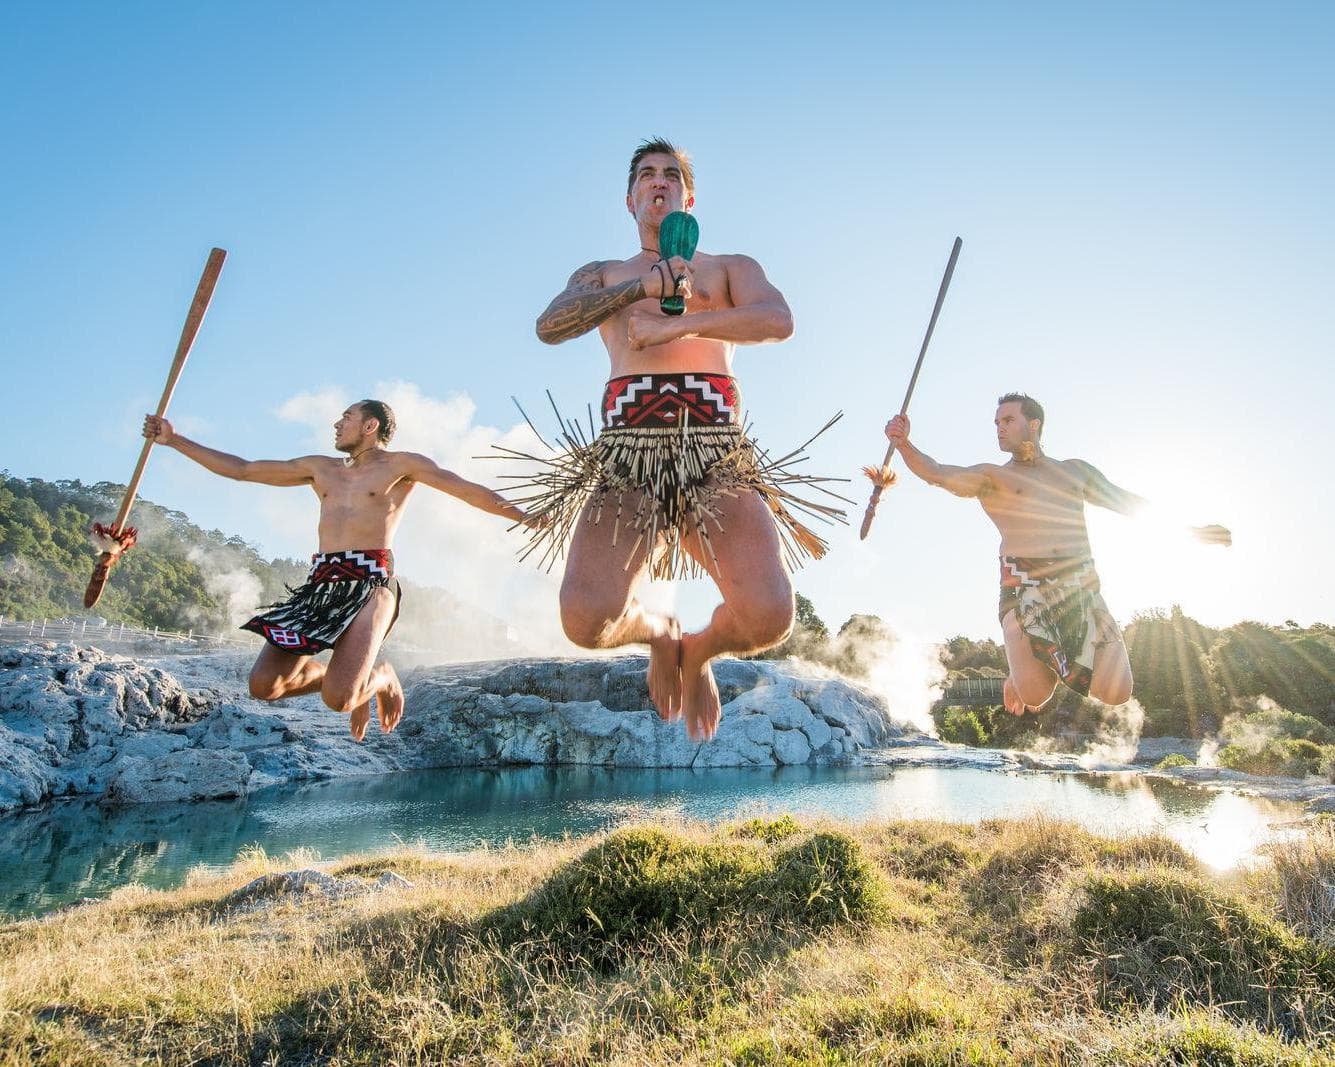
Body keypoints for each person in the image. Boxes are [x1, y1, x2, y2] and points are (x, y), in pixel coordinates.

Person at [514, 137, 844, 741]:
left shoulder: (728, 269)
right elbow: (549, 325)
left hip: (714, 451)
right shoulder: (604, 275)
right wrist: (638, 291)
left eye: (671, 174)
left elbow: (778, 320)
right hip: (626, 456)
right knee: (585, 620)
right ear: (631, 198)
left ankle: (701, 648)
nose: (658, 182)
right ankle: (660, 631)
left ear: (689, 195)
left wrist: (683, 322)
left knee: (768, 615)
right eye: (646, 175)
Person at [142, 400, 526, 740]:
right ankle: (352, 678)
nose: (337, 424)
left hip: (372, 585)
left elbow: (464, 488)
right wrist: (175, 440)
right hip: (322, 586)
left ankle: (380, 678)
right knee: (264, 685)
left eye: (347, 417)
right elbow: (243, 469)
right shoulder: (320, 468)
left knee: (340, 700)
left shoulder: (402, 465)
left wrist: (524, 516)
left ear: (370, 425)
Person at [882, 393, 1230, 713]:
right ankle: (1020, 668)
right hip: (1024, 591)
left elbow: (1128, 503)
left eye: (1008, 420)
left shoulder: (1074, 472)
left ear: (1033, 424)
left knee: (1118, 693)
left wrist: (1193, 531)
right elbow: (939, 474)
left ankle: (1027, 666)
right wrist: (904, 443)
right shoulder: (993, 478)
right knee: (1036, 695)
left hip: (1081, 591)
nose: (1000, 429)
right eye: (996, 423)